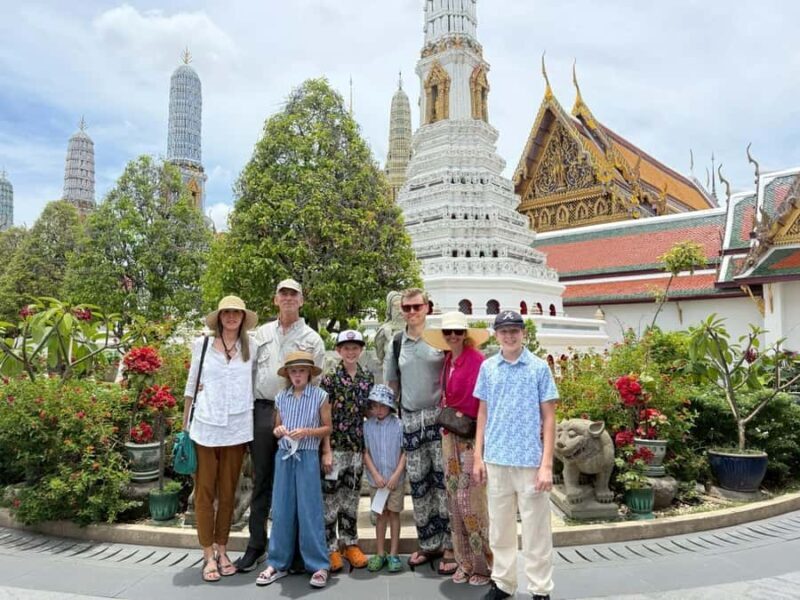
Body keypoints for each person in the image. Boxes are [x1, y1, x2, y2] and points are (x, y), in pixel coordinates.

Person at [235, 278, 325, 573]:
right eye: (282, 294)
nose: (288, 298)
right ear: (275, 300)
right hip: (264, 411)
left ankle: (297, 551)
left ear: (301, 300)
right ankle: (256, 545)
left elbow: (317, 385)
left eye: (293, 294)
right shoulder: (259, 334)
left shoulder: (312, 338)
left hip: (299, 414)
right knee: (263, 480)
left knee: (299, 484)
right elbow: (248, 374)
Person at [472, 311, 558, 600]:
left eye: (515, 330)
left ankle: (540, 588)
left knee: (536, 531)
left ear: (523, 333)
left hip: (530, 461)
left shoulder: (537, 368)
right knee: (500, 529)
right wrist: (478, 456)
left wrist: (547, 464)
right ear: (496, 334)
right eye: (504, 331)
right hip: (496, 459)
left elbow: (549, 418)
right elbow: (482, 413)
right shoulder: (488, 368)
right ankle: (503, 583)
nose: (509, 336)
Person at [183, 296, 258, 582]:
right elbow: (191, 385)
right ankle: (207, 555)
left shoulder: (250, 348)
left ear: (242, 318)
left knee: (229, 493)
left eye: (235, 313)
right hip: (205, 426)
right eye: (226, 312)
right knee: (204, 493)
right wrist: (184, 426)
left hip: (237, 429)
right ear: (219, 317)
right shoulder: (202, 346)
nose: (230, 317)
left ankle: (223, 549)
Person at [383, 287, 456, 574]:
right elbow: (392, 385)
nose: (412, 312)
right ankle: (428, 543)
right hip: (410, 418)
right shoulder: (397, 342)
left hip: (439, 418)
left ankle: (449, 545)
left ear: (427, 307)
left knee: (443, 483)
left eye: (416, 307)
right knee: (419, 485)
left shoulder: (440, 339)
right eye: (407, 308)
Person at [422, 311, 493, 586]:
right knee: (453, 501)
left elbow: (483, 401)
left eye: (458, 332)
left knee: (470, 501)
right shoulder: (449, 359)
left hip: (470, 437)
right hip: (449, 435)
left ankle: (483, 564)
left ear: (466, 334)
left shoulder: (477, 361)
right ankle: (464, 562)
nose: (453, 336)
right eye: (448, 332)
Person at [255, 351, 332, 588]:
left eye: (301, 371)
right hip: (284, 456)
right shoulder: (281, 397)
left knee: (310, 510)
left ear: (309, 373)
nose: (297, 375)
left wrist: (308, 432)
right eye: (293, 371)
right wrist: (278, 430)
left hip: (308, 455)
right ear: (288, 374)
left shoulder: (320, 396)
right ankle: (277, 563)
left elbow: (328, 428)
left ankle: (319, 565)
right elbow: (278, 425)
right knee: (281, 510)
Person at [319, 329, 374, 572]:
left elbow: (369, 413)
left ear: (360, 350)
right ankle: (330, 547)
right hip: (335, 446)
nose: (351, 352)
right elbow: (324, 416)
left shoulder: (367, 378)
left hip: (356, 447)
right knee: (330, 498)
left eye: (355, 347)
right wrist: (326, 450)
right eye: (346, 348)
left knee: (351, 498)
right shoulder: (329, 379)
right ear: (339, 351)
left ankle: (350, 543)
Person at [362, 384, 406, 573]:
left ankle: (394, 553)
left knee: (394, 514)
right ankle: (380, 553)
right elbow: (365, 452)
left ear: (390, 406)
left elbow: (405, 452)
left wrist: (396, 475)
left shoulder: (399, 425)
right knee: (380, 515)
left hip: (395, 480)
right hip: (376, 481)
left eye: (382, 405)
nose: (378, 410)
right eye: (375, 405)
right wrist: (376, 475)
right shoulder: (367, 426)